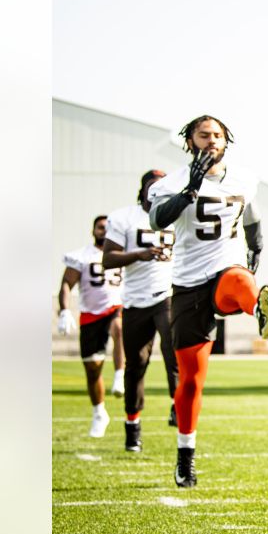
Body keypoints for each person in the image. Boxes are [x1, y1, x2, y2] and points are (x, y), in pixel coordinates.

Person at [148, 115, 268, 487]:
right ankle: (185, 455)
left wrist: (256, 244)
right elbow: (158, 220)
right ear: (188, 141)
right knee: (191, 380)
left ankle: (260, 309)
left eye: (217, 135)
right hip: (188, 282)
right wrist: (189, 188)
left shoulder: (242, 178)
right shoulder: (172, 182)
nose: (211, 140)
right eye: (203, 134)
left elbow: (252, 214)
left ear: (227, 141)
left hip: (226, 267)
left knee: (240, 279)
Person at [103, 169, 180, 451]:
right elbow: (108, 259)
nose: (157, 190)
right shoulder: (124, 217)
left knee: (175, 352)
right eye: (152, 185)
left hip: (168, 294)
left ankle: (177, 406)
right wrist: (139, 254)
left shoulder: (178, 215)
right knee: (135, 365)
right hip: (136, 299)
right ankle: (132, 424)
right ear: (143, 189)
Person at [58, 215, 126, 437]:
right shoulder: (82, 256)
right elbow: (67, 283)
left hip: (116, 307)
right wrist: (65, 310)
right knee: (92, 369)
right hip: (90, 315)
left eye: (108, 228)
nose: (104, 231)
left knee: (119, 327)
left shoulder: (123, 253)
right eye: (100, 227)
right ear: (93, 230)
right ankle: (99, 413)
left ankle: (119, 376)